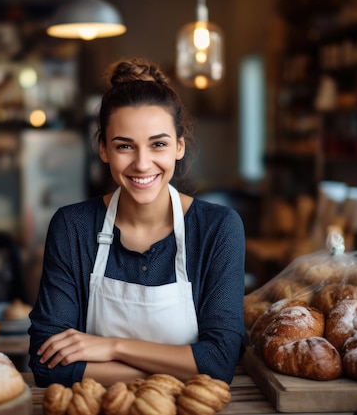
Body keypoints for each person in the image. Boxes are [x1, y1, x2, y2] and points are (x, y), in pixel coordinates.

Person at [28, 57, 246, 387]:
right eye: (124, 146)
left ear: (179, 146)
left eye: (158, 144)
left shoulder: (218, 229)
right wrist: (184, 366)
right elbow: (47, 365)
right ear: (103, 149)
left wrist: (111, 347)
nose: (142, 164)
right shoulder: (73, 227)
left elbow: (219, 362)